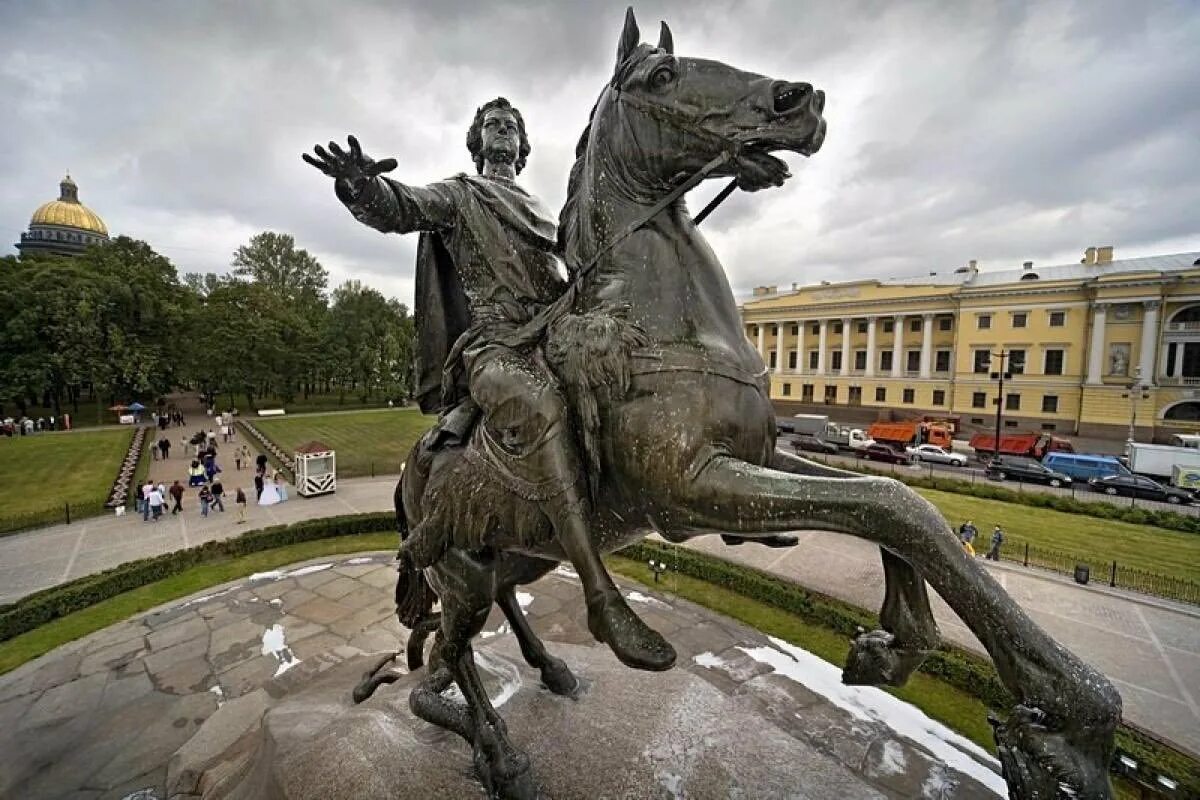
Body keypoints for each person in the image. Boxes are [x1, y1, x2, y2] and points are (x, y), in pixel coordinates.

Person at [304, 99, 672, 670]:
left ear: (523, 147)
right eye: (492, 126)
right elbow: (401, 207)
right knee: (538, 404)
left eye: (513, 127)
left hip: (552, 335)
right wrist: (359, 187)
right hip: (495, 346)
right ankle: (601, 595)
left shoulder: (544, 209)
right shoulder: (460, 193)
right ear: (478, 143)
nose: (503, 131)